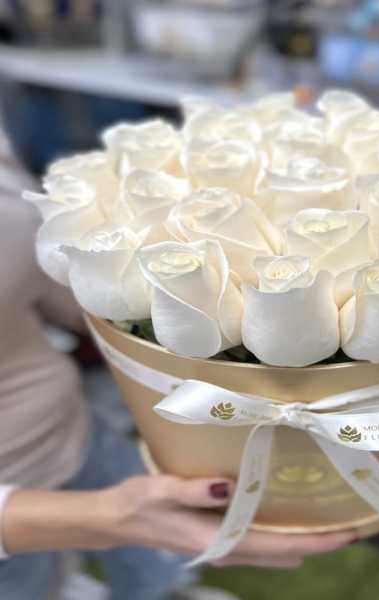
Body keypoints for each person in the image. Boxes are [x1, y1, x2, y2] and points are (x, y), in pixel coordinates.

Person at [0, 134, 356, 600]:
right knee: (30, 583)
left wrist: (128, 302)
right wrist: (112, 517)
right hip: (12, 492)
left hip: (77, 424)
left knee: (154, 563)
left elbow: (28, 283)